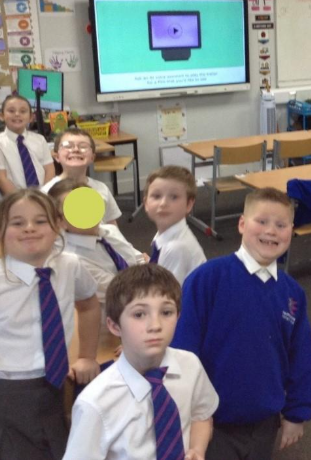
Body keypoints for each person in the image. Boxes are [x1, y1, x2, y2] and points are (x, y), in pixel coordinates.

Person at [172, 187, 311, 460]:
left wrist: (297, 413)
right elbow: (183, 349)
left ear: (291, 231)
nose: (271, 231)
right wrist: (185, 409)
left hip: (264, 422)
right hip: (211, 421)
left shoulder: (293, 294)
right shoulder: (207, 279)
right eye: (261, 221)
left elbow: (301, 357)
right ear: (242, 224)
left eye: (281, 225)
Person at [0, 189, 100, 459]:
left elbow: (89, 304)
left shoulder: (69, 266)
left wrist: (87, 356)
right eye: (17, 222)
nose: (29, 228)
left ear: (58, 226)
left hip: (52, 391)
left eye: (40, 221)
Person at [65, 264, 219, 460]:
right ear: (114, 325)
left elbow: (201, 415)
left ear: (178, 316)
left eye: (166, 312)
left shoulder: (190, 365)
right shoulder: (95, 404)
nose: (155, 325)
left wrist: (197, 449)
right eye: (139, 314)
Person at [48, 178, 145, 328]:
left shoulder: (109, 231)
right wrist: (147, 272)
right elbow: (123, 292)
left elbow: (139, 259)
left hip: (144, 306)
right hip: (115, 325)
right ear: (60, 221)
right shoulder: (73, 260)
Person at [41, 128, 122, 225]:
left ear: (92, 157)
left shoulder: (102, 189)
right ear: (57, 157)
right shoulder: (47, 192)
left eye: (83, 146)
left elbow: (111, 224)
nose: (76, 149)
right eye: (68, 146)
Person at [145, 166, 206, 285]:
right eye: (156, 196)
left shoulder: (175, 248)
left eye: (174, 197)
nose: (163, 203)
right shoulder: (165, 237)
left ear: (189, 204)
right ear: (146, 203)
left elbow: (165, 294)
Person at [0, 94, 56, 194]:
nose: (17, 114)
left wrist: (44, 195)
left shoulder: (40, 140)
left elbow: (49, 170)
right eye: (11, 111)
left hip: (42, 196)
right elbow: (1, 178)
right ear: (1, 116)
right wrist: (21, 201)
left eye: (23, 111)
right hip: (13, 198)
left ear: (31, 117)